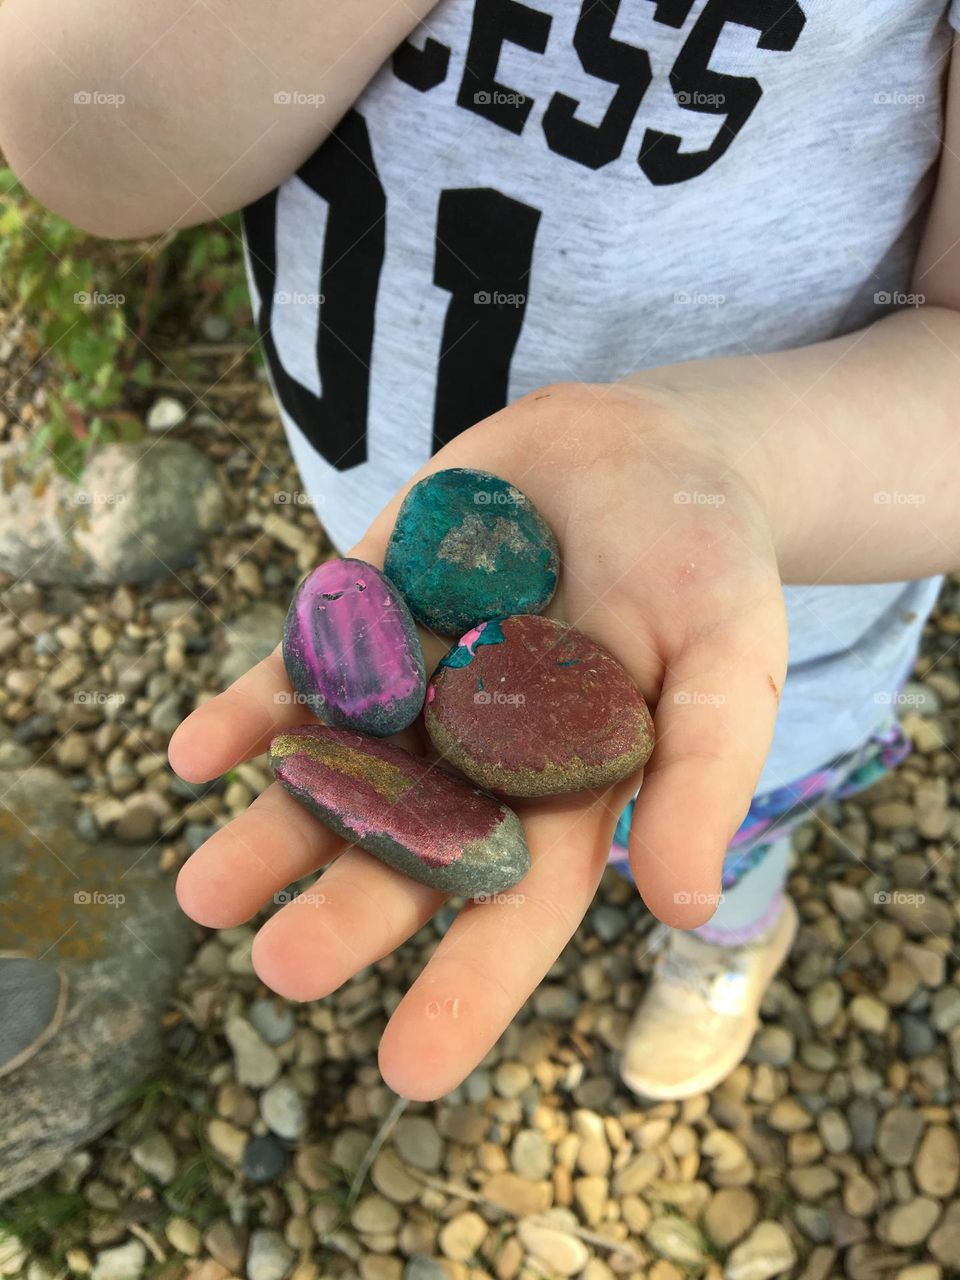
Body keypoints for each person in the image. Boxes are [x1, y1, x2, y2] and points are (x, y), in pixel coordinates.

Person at [4, 0, 960, 1102]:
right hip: (394, 542)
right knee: (586, 831)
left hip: (766, 615)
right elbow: (90, 146)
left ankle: (732, 930)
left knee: (720, 830)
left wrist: (728, 457)